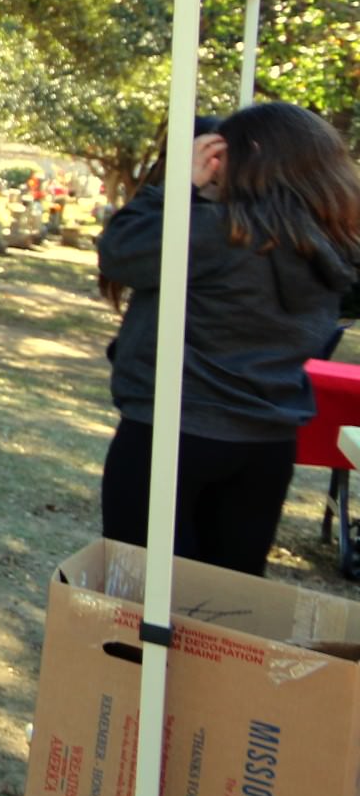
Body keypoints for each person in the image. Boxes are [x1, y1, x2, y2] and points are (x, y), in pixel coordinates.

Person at [96, 104, 360, 576]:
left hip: (175, 430)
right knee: (226, 608)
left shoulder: (224, 233)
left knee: (143, 598)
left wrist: (175, 188)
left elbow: (119, 253)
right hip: (267, 443)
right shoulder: (334, 244)